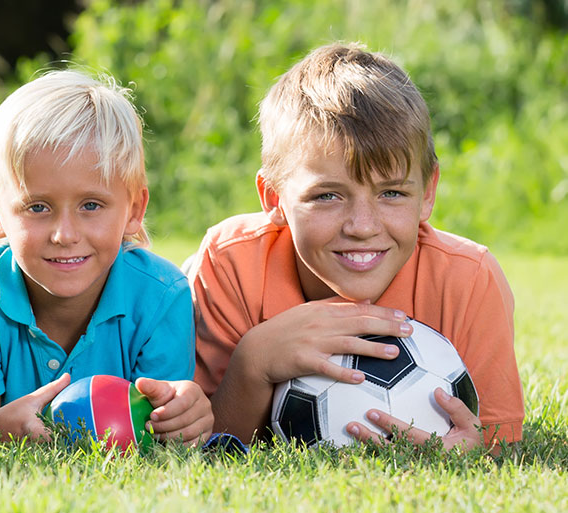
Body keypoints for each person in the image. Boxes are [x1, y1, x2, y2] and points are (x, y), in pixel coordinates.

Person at [190, 43, 522, 450]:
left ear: (428, 192)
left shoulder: (468, 280)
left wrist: (472, 449)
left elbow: (501, 441)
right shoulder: (231, 263)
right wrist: (253, 361)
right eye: (327, 196)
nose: (362, 227)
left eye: (392, 193)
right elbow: (201, 442)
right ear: (274, 198)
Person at [0, 69, 211, 445]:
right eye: (38, 207)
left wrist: (181, 417)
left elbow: (162, 439)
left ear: (134, 209)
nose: (65, 235)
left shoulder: (162, 297)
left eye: (91, 205)